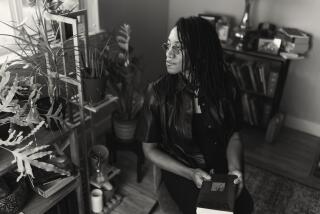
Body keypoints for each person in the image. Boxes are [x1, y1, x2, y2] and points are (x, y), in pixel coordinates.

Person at [138, 16, 253, 214]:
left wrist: (235, 170)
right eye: (168, 45)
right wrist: (191, 173)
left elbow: (233, 135)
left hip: (220, 168)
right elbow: (150, 151)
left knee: (243, 207)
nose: (168, 54)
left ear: (200, 52)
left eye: (178, 48)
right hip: (182, 171)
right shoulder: (157, 93)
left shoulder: (226, 85)